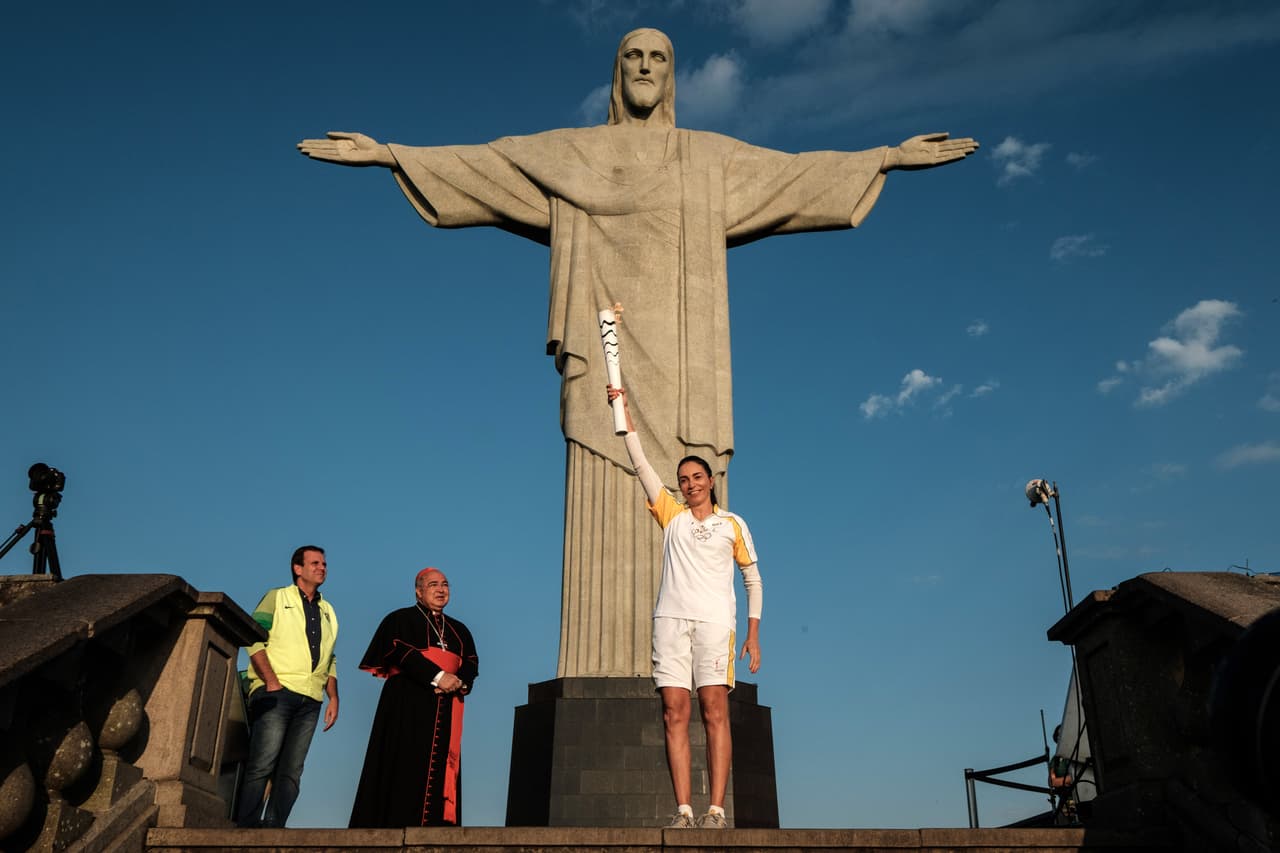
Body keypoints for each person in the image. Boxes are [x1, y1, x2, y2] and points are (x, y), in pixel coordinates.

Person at [297, 29, 978, 681]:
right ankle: (597, 663)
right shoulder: (573, 154)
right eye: (633, 56)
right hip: (606, 356)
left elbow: (793, 178)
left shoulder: (707, 158)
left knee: (691, 504)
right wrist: (391, 153)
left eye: (659, 56)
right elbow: (488, 164)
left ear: (672, 74)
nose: (646, 67)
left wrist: (883, 156)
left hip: (688, 369)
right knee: (605, 474)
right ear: (618, 74)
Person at [606, 384, 761, 829]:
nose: (690, 485)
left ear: (710, 481)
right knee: (674, 710)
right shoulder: (669, 515)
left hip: (715, 624)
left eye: (697, 478)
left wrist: (751, 633)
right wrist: (622, 406)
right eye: (683, 480)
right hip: (670, 623)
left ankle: (715, 809)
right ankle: (684, 810)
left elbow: (753, 578)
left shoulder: (732, 524)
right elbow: (638, 460)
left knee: (715, 709)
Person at [349, 567, 479, 827]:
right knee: (403, 766)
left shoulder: (460, 630)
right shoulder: (399, 619)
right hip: (407, 704)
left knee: (443, 768)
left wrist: (457, 681)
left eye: (445, 584)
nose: (441, 589)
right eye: (433, 585)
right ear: (419, 591)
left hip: (446, 707)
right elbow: (399, 651)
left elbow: (471, 662)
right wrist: (438, 676)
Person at [235, 545, 339, 827]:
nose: (322, 568)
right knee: (262, 764)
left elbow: (330, 658)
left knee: (292, 772)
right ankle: (244, 829)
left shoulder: (328, 610)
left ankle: (273, 828)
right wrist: (271, 681)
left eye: (324, 564)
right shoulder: (277, 597)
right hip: (276, 694)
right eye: (315, 563)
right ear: (298, 568)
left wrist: (333, 697)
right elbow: (253, 638)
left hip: (311, 699)